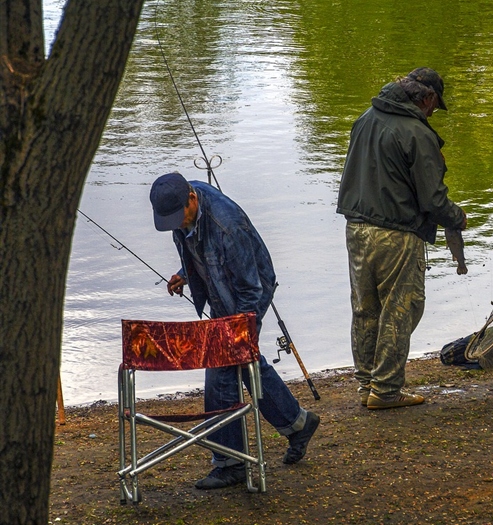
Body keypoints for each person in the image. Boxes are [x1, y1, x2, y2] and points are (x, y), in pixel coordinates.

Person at [149, 172, 319, 490]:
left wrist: (243, 329)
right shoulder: (179, 213)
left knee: (222, 366)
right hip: (220, 287)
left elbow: (250, 286)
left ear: (192, 199)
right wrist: (184, 273)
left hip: (249, 291)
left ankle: (230, 463)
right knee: (244, 362)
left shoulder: (227, 224)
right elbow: (198, 250)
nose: (176, 225)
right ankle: (298, 424)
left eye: (179, 217)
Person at [337, 67, 467, 410]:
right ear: (426, 98)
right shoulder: (416, 133)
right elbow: (433, 200)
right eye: (435, 107)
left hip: (356, 228)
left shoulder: (366, 118)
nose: (432, 114)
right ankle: (386, 390)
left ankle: (367, 384)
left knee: (365, 309)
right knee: (401, 308)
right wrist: (457, 217)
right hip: (396, 232)